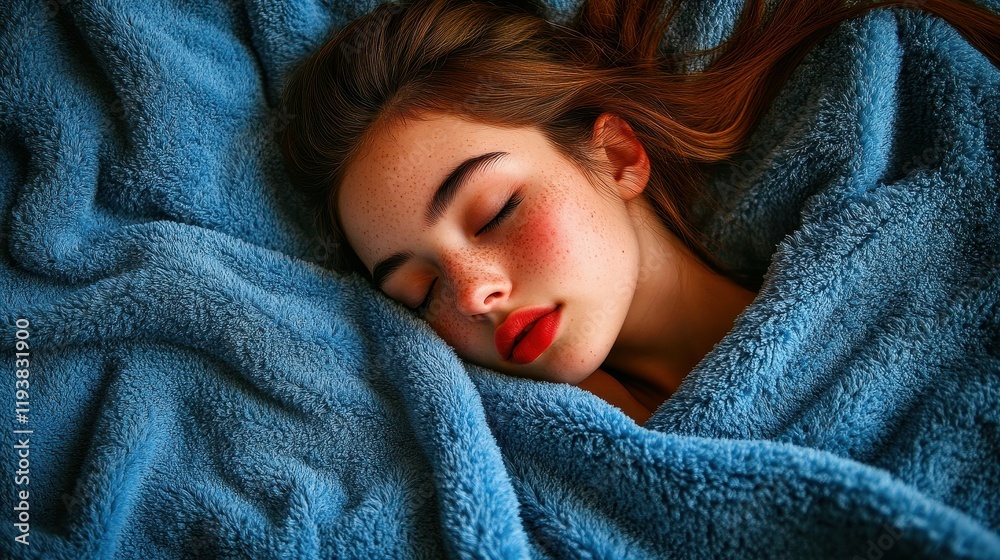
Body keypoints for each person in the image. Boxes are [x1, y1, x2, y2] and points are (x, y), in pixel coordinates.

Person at [278, 0, 1000, 424]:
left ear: (619, 155)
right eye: (420, 290)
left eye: (495, 211)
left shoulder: (923, 266)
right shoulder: (532, 461)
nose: (471, 293)